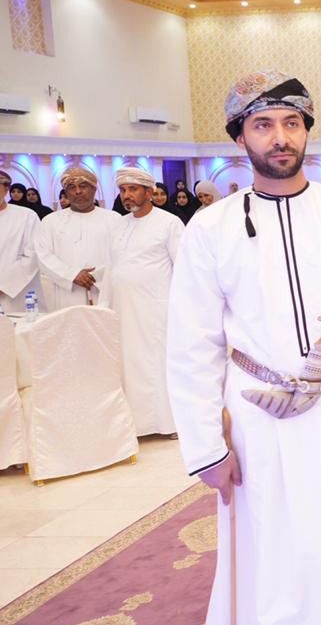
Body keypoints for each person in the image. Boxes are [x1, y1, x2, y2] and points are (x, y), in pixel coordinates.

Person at [166, 70, 321, 625]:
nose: (280, 137)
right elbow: (191, 343)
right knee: (272, 547)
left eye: (292, 123)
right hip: (258, 416)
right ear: (240, 137)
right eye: (263, 125)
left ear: (306, 130)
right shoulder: (210, 227)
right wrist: (205, 447)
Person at [104, 167, 185, 437]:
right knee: (129, 365)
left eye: (133, 189)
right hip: (123, 309)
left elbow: (184, 268)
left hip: (156, 310)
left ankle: (169, 423)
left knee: (158, 365)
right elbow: (111, 267)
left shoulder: (169, 223)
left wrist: (181, 308)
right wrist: (104, 307)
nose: (126, 195)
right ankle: (136, 425)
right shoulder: (119, 225)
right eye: (122, 190)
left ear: (149, 192)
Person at [33, 167, 120, 309]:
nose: (78, 191)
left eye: (83, 186)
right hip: (67, 291)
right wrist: (72, 275)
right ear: (66, 192)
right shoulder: (51, 221)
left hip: (104, 288)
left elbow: (121, 254)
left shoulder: (113, 219)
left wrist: (97, 275)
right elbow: (42, 255)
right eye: (72, 187)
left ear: (94, 189)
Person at [0, 170, 41, 315]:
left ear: (6, 189)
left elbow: (33, 254)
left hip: (17, 295)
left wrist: (4, 285)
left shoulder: (26, 216)